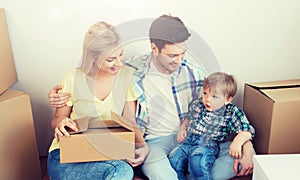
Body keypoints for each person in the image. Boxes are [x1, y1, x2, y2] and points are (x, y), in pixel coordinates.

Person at [49, 15, 255, 179]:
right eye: (173, 55)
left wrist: (247, 146)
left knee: (232, 161)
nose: (180, 60)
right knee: (160, 173)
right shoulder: (133, 72)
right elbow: (92, 84)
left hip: (195, 138)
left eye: (183, 53)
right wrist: (56, 97)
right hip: (156, 142)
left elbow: (227, 110)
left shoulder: (195, 73)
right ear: (154, 48)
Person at [47, 21, 135, 180]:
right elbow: (57, 119)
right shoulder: (72, 78)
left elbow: (130, 122)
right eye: (110, 59)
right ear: (92, 56)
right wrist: (61, 123)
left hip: (105, 155)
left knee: (121, 171)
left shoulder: (127, 76)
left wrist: (140, 147)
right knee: (120, 172)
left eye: (120, 55)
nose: (119, 63)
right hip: (65, 156)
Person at [169, 72, 255, 180]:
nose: (207, 99)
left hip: (207, 144)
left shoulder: (231, 112)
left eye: (214, 96)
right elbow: (189, 118)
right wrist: (183, 128)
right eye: (205, 93)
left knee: (198, 160)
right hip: (188, 141)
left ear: (227, 99)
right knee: (174, 159)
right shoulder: (198, 104)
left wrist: (237, 143)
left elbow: (247, 130)